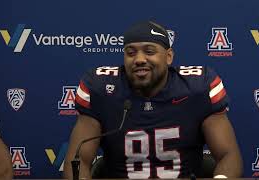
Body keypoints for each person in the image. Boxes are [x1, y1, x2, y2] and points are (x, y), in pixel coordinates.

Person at [63, 21, 243, 179]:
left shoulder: (198, 87)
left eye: (149, 51)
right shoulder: (101, 89)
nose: (139, 59)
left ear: (169, 57)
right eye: (131, 52)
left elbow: (228, 155)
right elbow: (78, 161)